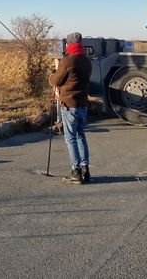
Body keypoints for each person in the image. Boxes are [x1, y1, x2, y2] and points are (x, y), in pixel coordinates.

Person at [49, 31, 92, 184]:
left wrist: (52, 74)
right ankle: (85, 170)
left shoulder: (67, 62)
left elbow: (56, 80)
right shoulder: (87, 61)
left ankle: (76, 172)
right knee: (81, 136)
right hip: (82, 104)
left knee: (70, 138)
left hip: (69, 105)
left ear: (69, 44)